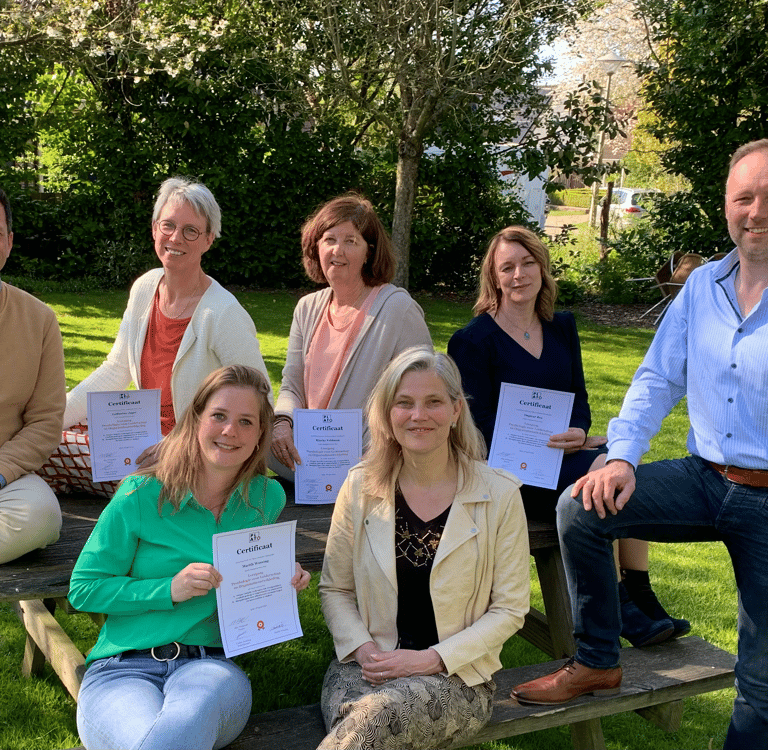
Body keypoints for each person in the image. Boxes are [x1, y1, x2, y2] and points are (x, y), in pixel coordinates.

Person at [510, 139, 768, 750]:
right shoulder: (703, 286)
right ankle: (598, 659)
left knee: (759, 684)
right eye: (744, 197)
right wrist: (621, 455)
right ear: (725, 206)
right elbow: (656, 378)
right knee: (581, 506)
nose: (756, 211)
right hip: (706, 479)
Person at [448, 226, 687, 646]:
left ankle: (640, 593)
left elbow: (578, 397)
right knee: (599, 483)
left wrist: (578, 429)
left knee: (623, 467)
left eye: (527, 264)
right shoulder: (472, 340)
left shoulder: (561, 326)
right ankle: (618, 606)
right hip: (510, 471)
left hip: (564, 455)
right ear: (494, 277)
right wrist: (534, 436)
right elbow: (473, 422)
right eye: (507, 267)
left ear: (541, 268)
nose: (519, 274)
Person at [69, 365, 311, 750]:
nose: (230, 431)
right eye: (219, 416)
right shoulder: (142, 494)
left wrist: (280, 581)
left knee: (179, 728)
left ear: (260, 435)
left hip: (210, 669)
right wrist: (169, 589)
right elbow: (83, 590)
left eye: (246, 421)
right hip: (122, 671)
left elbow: (248, 594)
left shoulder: (266, 499)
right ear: (196, 419)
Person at [318, 346, 530, 749]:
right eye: (404, 403)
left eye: (433, 402)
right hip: (367, 667)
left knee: (375, 721)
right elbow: (336, 589)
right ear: (387, 414)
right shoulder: (360, 486)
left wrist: (430, 658)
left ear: (455, 412)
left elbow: (509, 608)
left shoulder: (499, 495)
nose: (418, 415)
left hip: (455, 675)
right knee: (371, 723)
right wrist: (364, 651)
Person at [40, 177, 271, 497]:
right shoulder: (145, 288)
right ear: (153, 229)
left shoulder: (223, 313)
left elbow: (260, 401)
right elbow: (115, 370)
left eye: (191, 230)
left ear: (208, 240)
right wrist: (49, 418)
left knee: (43, 451)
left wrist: (178, 444)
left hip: (195, 456)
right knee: (44, 434)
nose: (176, 237)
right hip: (141, 436)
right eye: (168, 225)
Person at [270, 194, 432, 480]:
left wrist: (377, 451)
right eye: (329, 239)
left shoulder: (398, 309)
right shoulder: (307, 308)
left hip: (372, 464)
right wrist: (282, 422)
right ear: (316, 247)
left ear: (369, 251)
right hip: (308, 459)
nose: (338, 250)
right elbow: (291, 385)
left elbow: (422, 395)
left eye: (350, 241)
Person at [0, 187, 66, 564]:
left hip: (5, 476)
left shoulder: (39, 319)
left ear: (9, 243)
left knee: (41, 516)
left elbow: (45, 422)